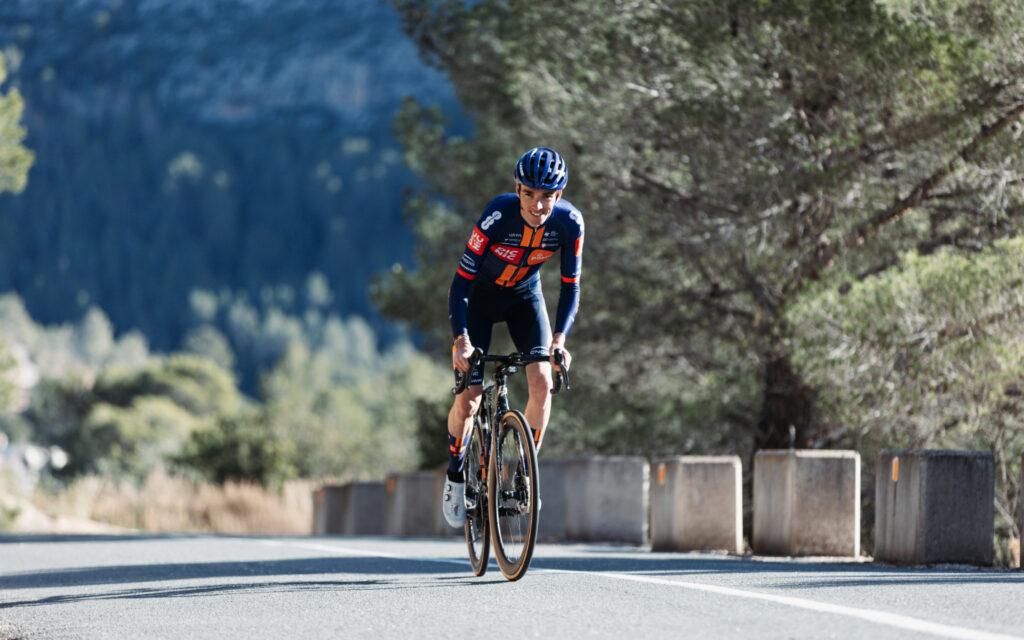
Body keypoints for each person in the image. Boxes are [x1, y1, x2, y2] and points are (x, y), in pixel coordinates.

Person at [442, 147, 584, 528]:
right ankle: (456, 474)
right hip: (480, 300)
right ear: (517, 188)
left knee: (542, 382)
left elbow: (570, 286)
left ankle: (526, 475)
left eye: (548, 197)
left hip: (525, 297)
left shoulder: (570, 223)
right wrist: (462, 340)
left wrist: (559, 339)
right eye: (530, 194)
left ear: (560, 193)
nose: (538, 206)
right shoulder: (497, 215)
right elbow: (460, 283)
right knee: (469, 401)